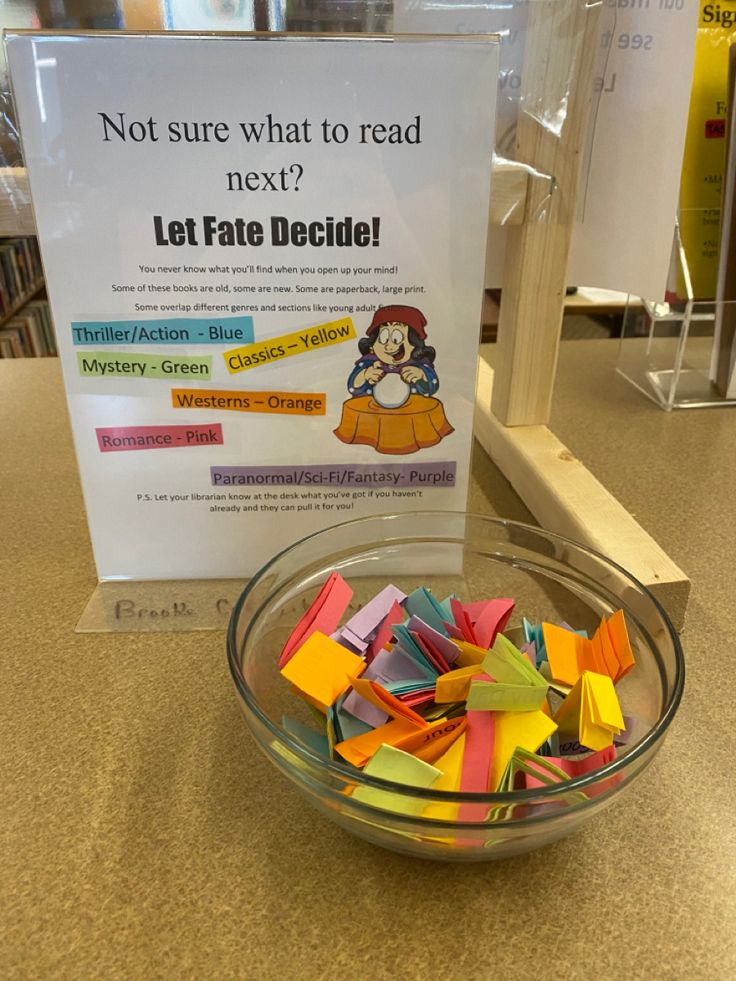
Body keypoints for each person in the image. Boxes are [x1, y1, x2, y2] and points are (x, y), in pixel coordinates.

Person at [347, 305, 438, 401]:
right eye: (383, 338)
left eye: (396, 338)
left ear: (415, 344)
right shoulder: (369, 363)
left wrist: (421, 375)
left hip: (411, 413)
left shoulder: (418, 364)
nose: (388, 346)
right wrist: (365, 375)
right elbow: (352, 387)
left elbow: (432, 386)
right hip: (372, 412)